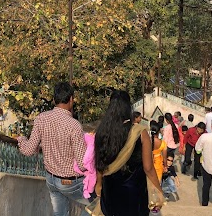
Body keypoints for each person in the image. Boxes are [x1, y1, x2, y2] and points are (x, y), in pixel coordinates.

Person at [18, 82, 89, 216]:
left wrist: (21, 139)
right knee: (98, 204)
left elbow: (28, 150)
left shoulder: (41, 118)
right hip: (70, 182)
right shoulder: (74, 126)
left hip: (51, 179)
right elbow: (82, 164)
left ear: (54, 99)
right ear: (71, 99)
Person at [94, 90, 164, 216]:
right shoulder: (140, 132)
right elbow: (148, 168)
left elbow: (100, 163)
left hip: (110, 192)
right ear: (128, 108)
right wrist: (158, 189)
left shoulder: (102, 131)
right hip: (134, 194)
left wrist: (98, 184)